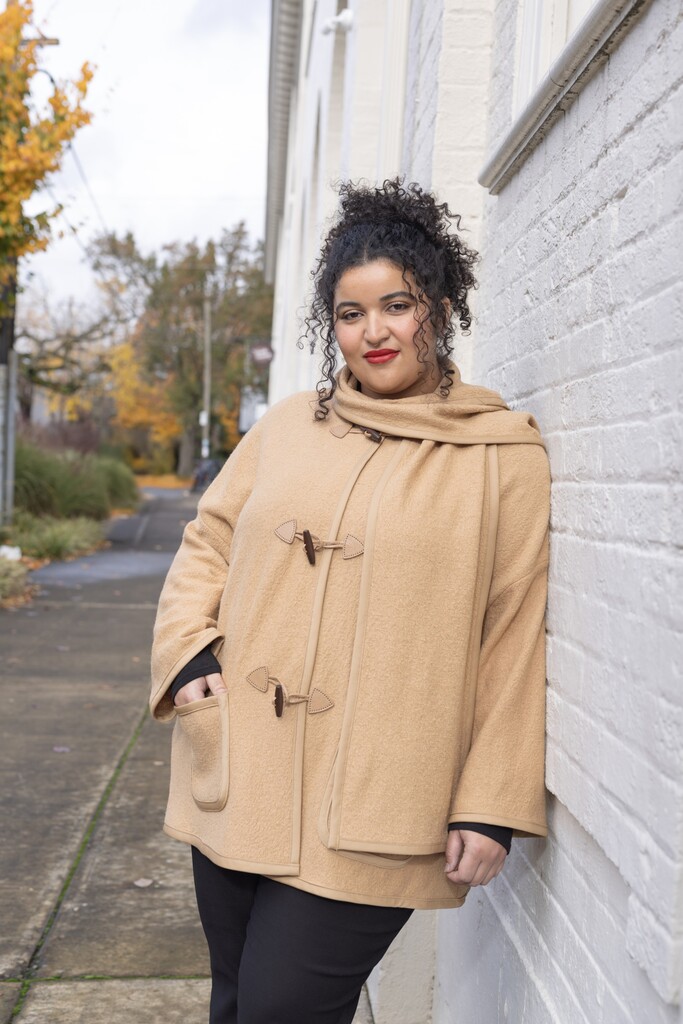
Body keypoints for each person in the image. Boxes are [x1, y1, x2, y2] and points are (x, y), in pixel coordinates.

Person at [150, 178, 551, 1024]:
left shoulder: (500, 454)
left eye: (395, 305)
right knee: (232, 998)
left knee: (280, 1009)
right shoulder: (289, 425)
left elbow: (513, 631)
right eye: (349, 312)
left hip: (381, 796)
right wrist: (188, 654)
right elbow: (208, 539)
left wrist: (492, 801)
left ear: (437, 308)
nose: (373, 332)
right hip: (241, 762)